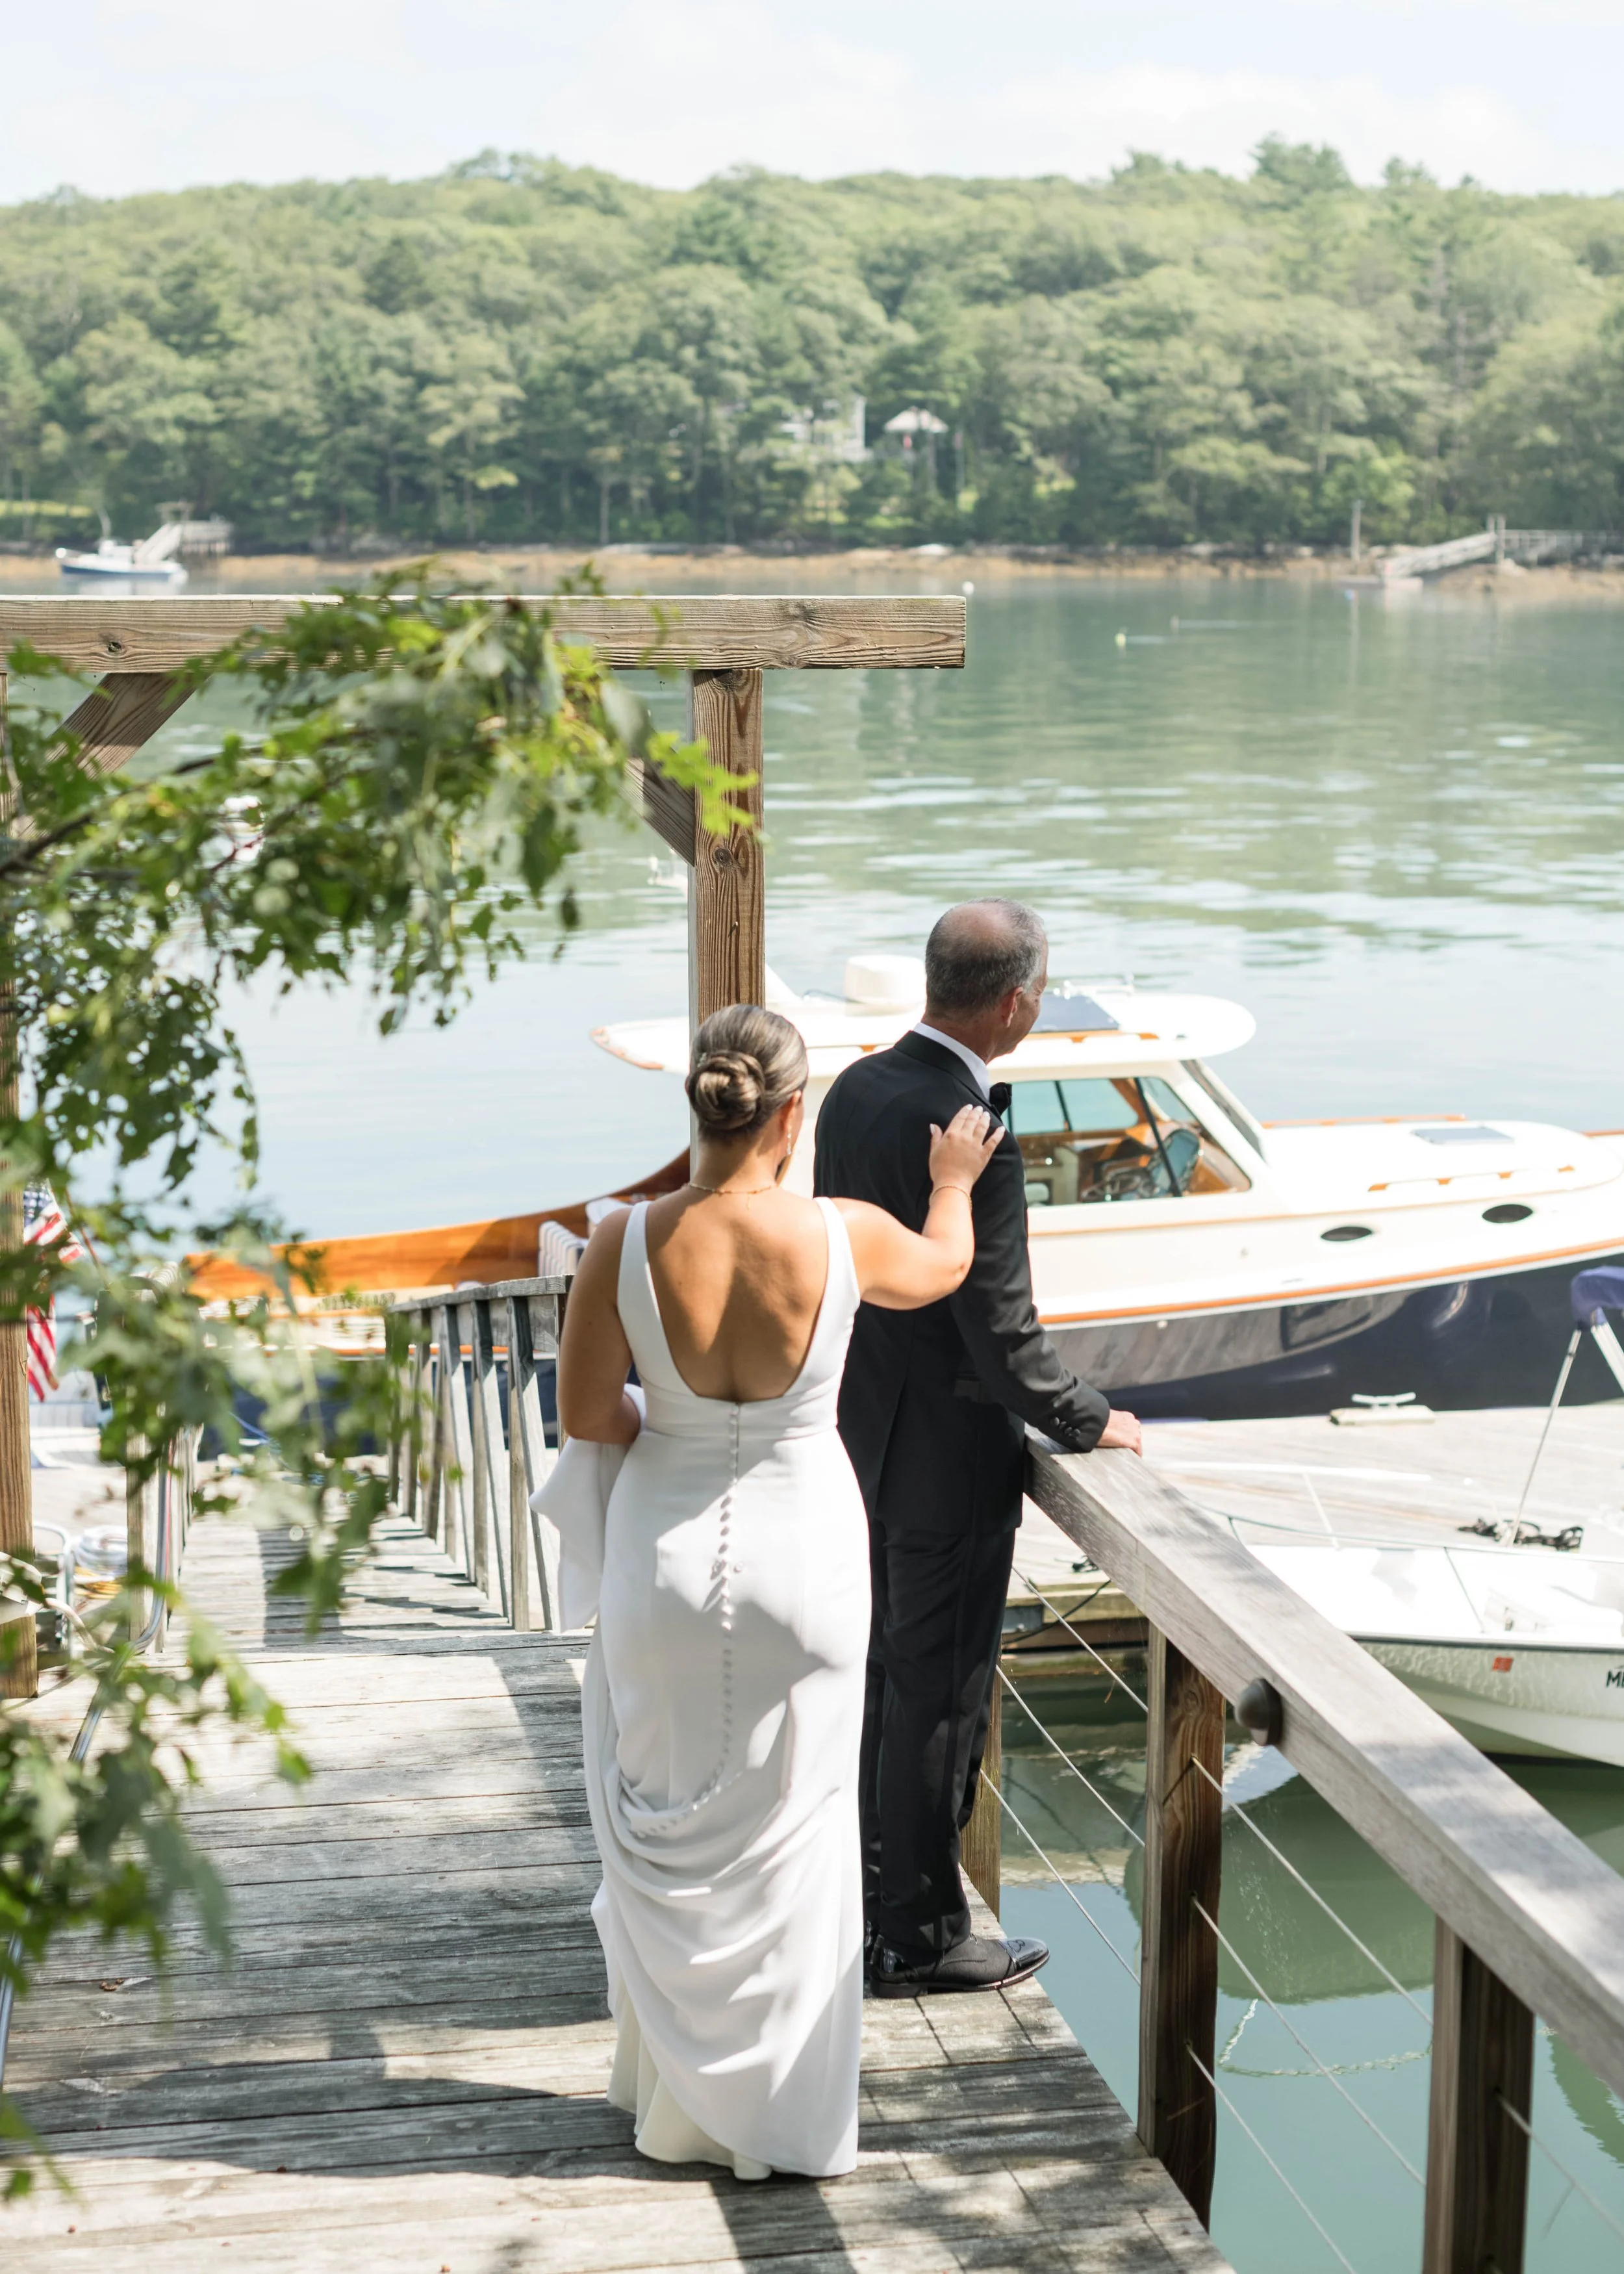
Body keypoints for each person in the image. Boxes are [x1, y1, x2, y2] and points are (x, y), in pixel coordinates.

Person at [556, 1002, 1002, 2181]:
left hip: (661, 1560)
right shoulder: (845, 1232)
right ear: (793, 1114)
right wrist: (954, 1177)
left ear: (700, 1103)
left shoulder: (621, 1243)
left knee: (662, 1820)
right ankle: (789, 2126)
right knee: (801, 1844)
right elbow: (949, 1267)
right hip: (809, 1557)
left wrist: (673, 1419)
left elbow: (588, 1417)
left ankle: (675, 2112)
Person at [814, 899, 1142, 1998]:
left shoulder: (856, 1090)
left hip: (860, 1435)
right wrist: (1092, 1419)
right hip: (950, 1457)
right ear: (1017, 1002)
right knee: (941, 1690)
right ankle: (918, 1934)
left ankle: (861, 1897)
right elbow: (1003, 1339)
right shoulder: (973, 1131)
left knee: (879, 1677)